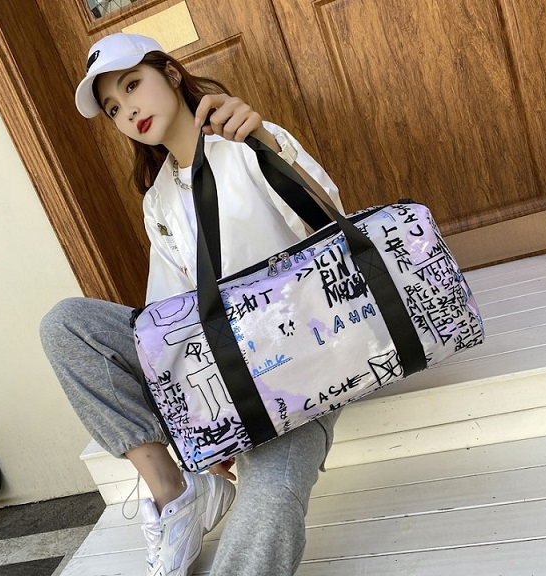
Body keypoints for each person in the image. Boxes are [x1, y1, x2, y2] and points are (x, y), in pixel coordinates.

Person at [40, 32, 344, 576]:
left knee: (268, 503)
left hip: (298, 364)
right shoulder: (158, 200)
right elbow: (166, 322)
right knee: (67, 325)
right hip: (218, 366)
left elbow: (333, 226)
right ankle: (177, 494)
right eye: (113, 107)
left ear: (172, 74)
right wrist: (199, 422)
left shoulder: (249, 140)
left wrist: (266, 145)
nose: (126, 109)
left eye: (132, 85)